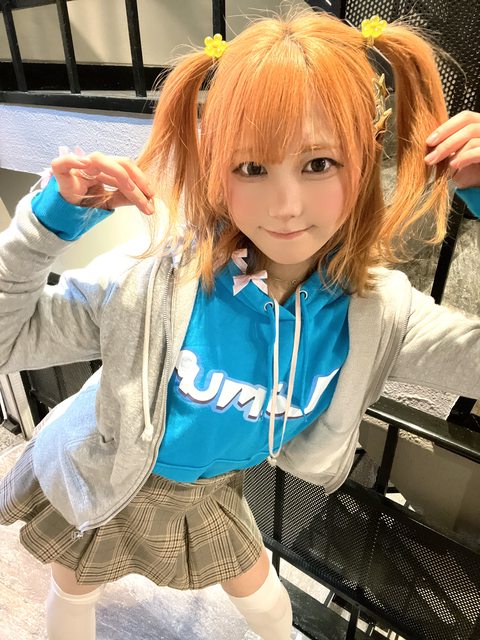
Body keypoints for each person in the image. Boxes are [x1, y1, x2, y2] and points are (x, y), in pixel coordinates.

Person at [0, 6, 479, 640]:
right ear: (217, 170)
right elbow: (8, 342)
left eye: (319, 163)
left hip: (213, 492)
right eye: (252, 168)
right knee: (74, 587)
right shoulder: (153, 279)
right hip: (107, 472)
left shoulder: (379, 312)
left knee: (265, 599)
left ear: (365, 160)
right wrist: (43, 227)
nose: (285, 206)